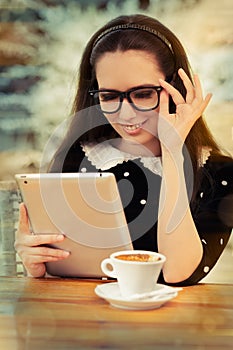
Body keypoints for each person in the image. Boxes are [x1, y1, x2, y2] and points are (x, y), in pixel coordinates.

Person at [15, 14, 233, 285]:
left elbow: (178, 273)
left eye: (142, 94)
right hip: (86, 320)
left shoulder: (219, 171)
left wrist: (172, 150)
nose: (125, 114)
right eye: (109, 96)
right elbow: (65, 270)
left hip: (176, 324)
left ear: (176, 88)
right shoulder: (78, 158)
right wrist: (37, 265)